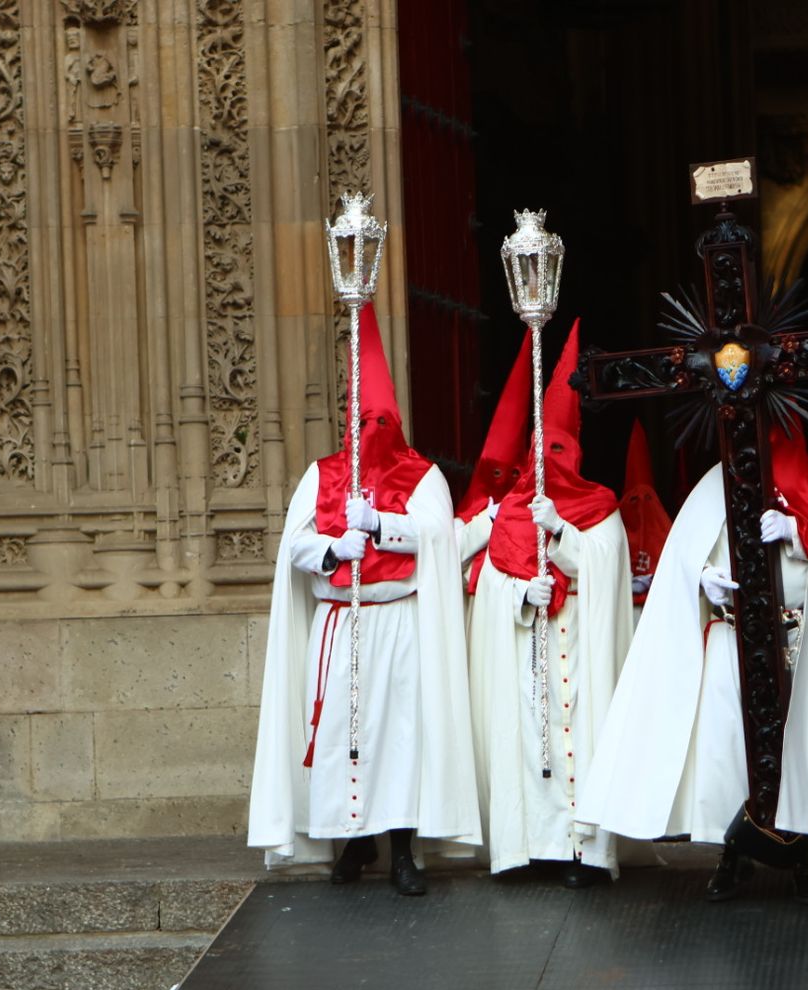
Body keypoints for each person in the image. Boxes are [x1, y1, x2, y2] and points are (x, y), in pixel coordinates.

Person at [578, 421, 808, 905]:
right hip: (731, 636)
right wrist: (703, 577)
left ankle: (800, 861)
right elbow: (682, 556)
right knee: (727, 753)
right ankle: (731, 855)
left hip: (794, 639)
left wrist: (798, 529)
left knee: (793, 756)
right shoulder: (719, 481)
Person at [247, 305, 481, 895]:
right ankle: (352, 845)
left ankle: (402, 852)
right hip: (340, 624)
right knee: (338, 737)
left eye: (381, 418)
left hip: (396, 620)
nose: (370, 427)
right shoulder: (323, 474)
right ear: (349, 420)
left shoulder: (422, 475)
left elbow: (437, 536)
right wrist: (331, 547)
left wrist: (380, 524)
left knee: (398, 736)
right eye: (362, 418)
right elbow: (293, 547)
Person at [469, 321, 634, 886]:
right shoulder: (514, 509)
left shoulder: (599, 506)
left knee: (584, 743)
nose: (556, 461)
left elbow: (608, 562)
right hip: (530, 648)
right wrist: (521, 592)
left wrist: (561, 533)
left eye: (564, 451)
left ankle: (586, 851)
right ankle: (533, 848)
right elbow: (490, 583)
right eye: (548, 451)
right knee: (530, 742)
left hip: (581, 641)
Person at [454, 331, 533, 588]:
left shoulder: (538, 515)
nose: (505, 482)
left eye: (515, 475)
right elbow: (449, 558)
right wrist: (487, 520)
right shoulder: (463, 522)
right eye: (497, 474)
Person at [619, 419, 672, 622]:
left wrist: (651, 579)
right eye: (633, 500)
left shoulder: (663, 531)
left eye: (647, 498)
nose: (640, 506)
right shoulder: (614, 528)